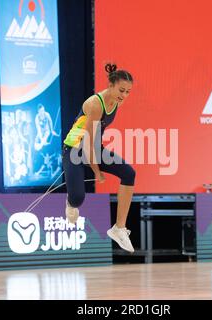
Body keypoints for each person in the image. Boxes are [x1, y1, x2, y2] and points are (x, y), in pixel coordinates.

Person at [62, 63, 136, 253]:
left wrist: (98, 162)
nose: (124, 95)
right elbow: (86, 142)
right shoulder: (95, 104)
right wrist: (96, 171)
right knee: (78, 198)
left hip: (94, 146)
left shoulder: (117, 101)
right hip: (75, 148)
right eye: (121, 90)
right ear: (110, 85)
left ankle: (119, 228)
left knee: (129, 173)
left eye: (128, 92)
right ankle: (71, 202)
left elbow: (94, 143)